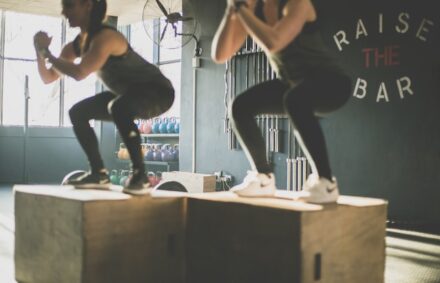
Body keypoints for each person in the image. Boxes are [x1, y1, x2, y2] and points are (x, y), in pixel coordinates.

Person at [211, 0, 351, 203]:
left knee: (295, 99)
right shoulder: (254, 12)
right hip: (293, 84)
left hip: (332, 83)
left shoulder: (297, 4)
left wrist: (241, 9)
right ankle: (263, 178)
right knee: (241, 106)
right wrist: (230, 11)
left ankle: (326, 182)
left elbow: (274, 41)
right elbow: (219, 54)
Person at [33, 0, 175, 195]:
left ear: (88, 5)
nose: (64, 12)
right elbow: (48, 77)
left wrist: (46, 52)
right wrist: (39, 53)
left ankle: (140, 176)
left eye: (70, 5)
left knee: (118, 107)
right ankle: (98, 173)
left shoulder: (107, 37)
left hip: (158, 92)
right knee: (78, 112)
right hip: (127, 94)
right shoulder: (75, 46)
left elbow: (79, 72)